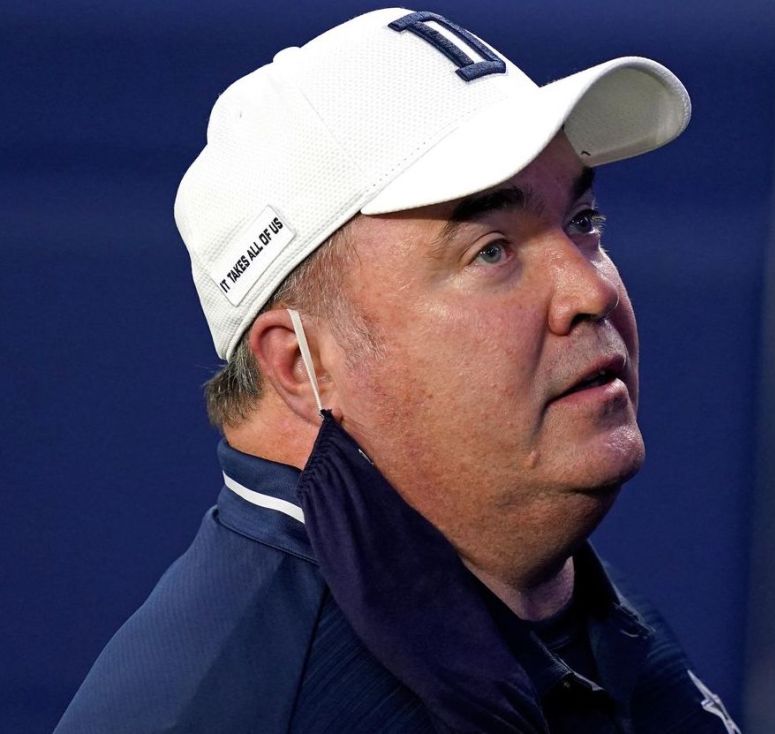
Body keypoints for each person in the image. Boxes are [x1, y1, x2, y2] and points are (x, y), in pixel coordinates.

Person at [56, 8, 740, 734]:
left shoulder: (533, 587)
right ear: (301, 365)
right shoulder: (235, 706)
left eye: (583, 222)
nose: (591, 291)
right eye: (491, 251)